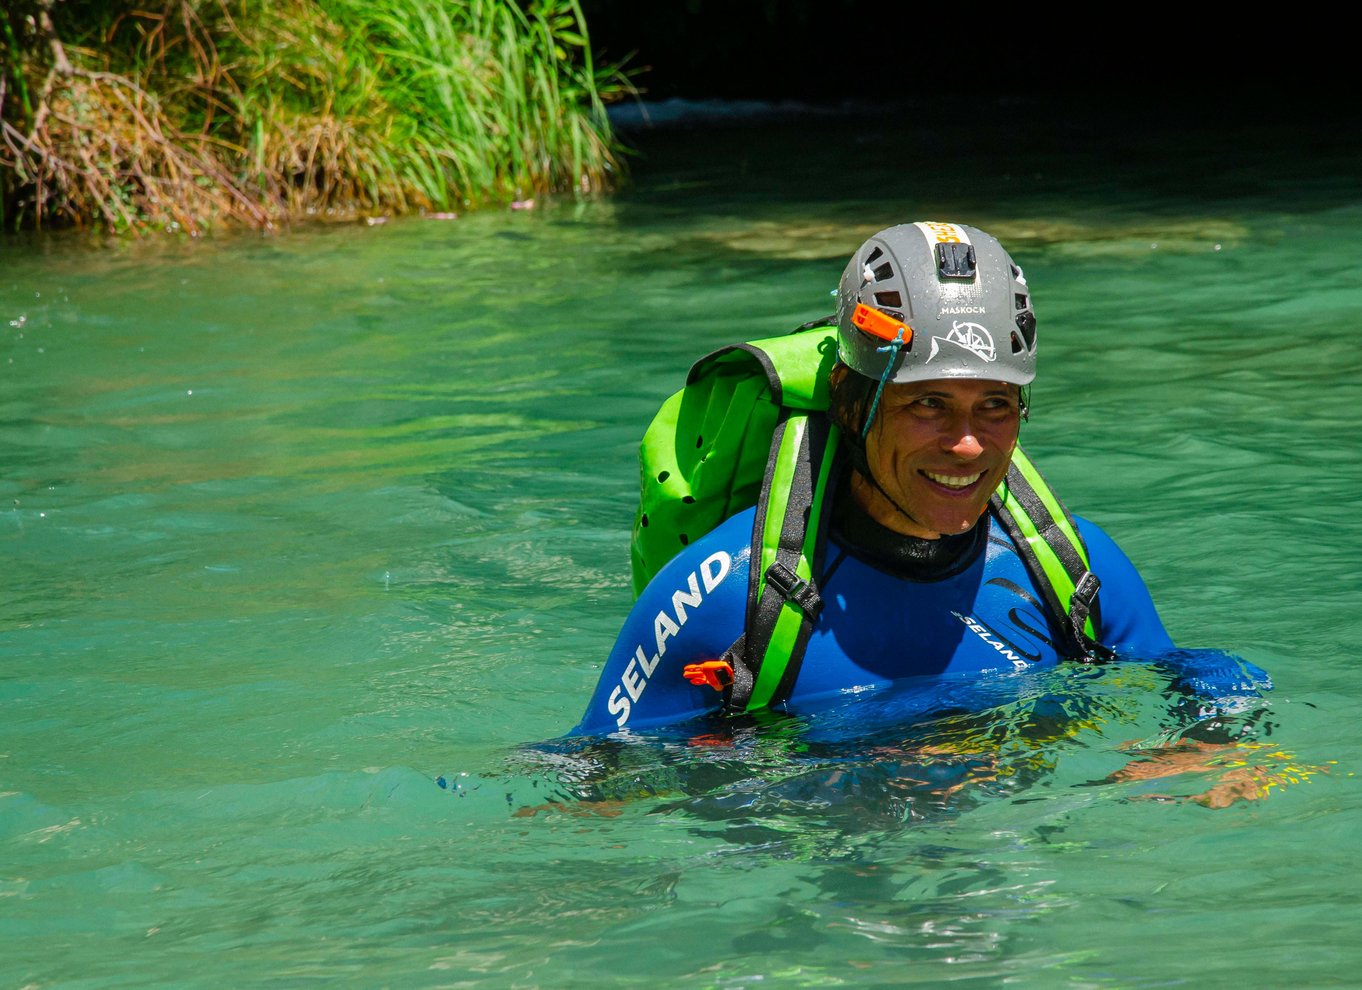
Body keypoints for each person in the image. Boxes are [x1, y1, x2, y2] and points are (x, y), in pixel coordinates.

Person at [572, 221, 1256, 739]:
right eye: (926, 403)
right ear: (850, 400)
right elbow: (587, 778)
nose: (965, 444)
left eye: (994, 405)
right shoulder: (723, 595)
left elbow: (1189, 674)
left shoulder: (1074, 569)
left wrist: (1219, 742)